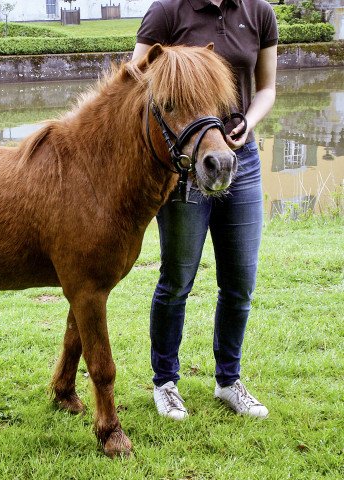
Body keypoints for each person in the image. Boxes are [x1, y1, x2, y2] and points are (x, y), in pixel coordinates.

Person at [132, 0, 278, 420]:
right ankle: (165, 383)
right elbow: (135, 79)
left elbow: (266, 87)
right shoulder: (167, 12)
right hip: (186, 164)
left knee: (240, 283)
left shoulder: (259, 11)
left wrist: (248, 122)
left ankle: (228, 381)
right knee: (177, 279)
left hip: (241, 160)